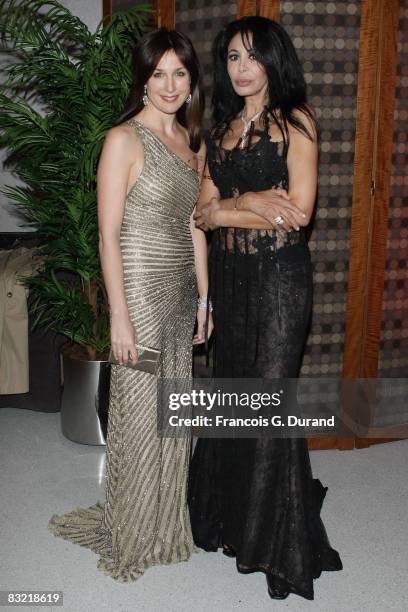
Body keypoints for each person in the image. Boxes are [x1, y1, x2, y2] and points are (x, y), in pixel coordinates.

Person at [48, 28, 213, 582]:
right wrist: (118, 315)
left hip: (179, 293)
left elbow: (194, 228)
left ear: (192, 81)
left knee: (173, 410)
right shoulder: (124, 140)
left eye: (180, 73)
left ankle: (164, 518)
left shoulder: (194, 144)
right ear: (143, 79)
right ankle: (132, 527)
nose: (169, 85)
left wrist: (204, 299)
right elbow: (108, 235)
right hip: (139, 295)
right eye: (158, 73)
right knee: (140, 413)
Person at [189, 16, 342, 600]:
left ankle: (271, 540)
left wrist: (226, 207)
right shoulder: (219, 128)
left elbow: (298, 212)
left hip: (280, 278)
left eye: (252, 56)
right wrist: (250, 200)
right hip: (231, 278)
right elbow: (201, 215)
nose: (242, 67)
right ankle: (233, 519)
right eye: (231, 57)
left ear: (274, 60)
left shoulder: (296, 122)